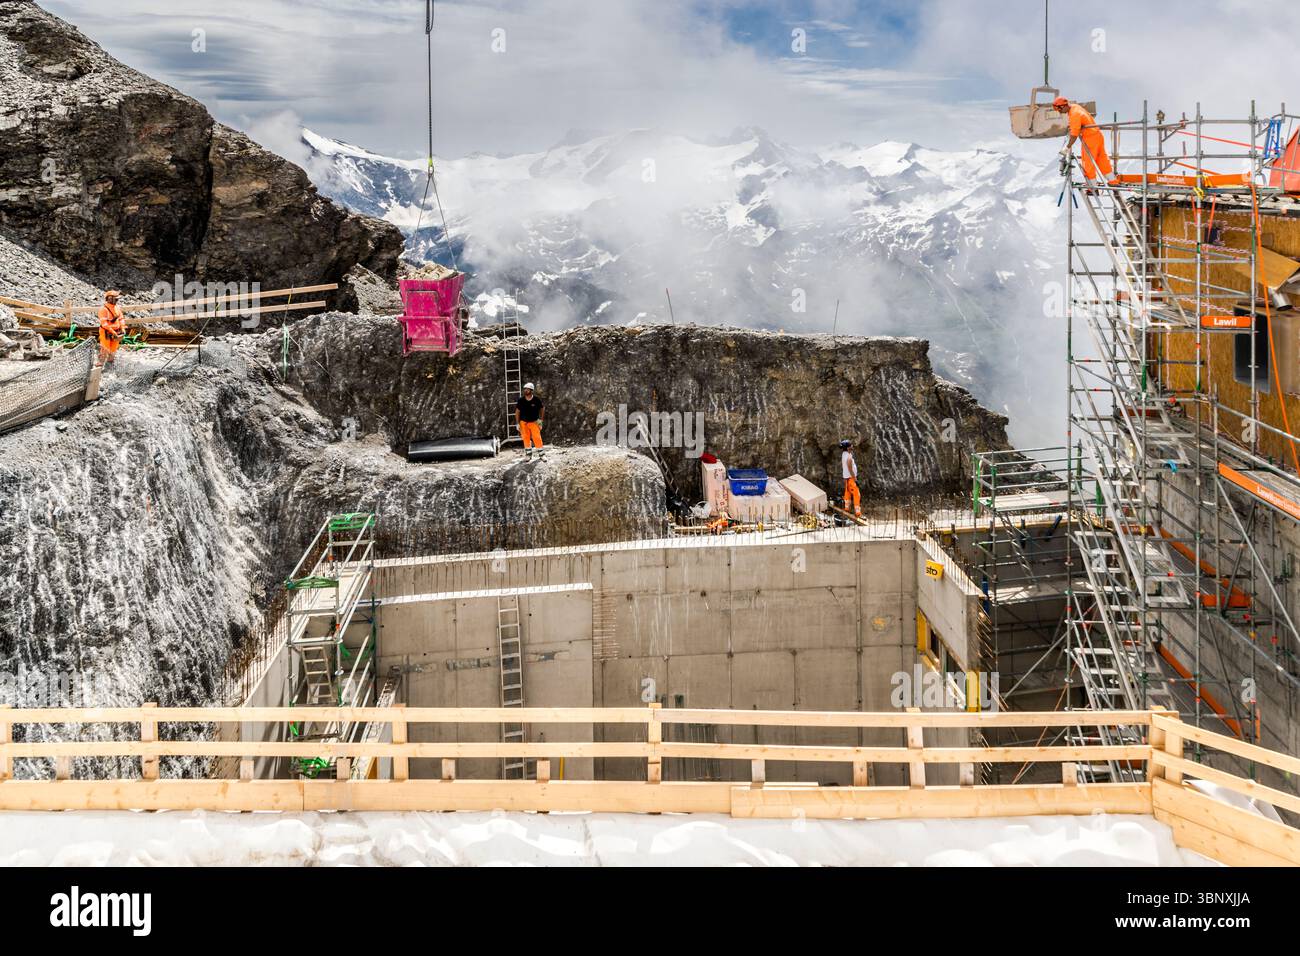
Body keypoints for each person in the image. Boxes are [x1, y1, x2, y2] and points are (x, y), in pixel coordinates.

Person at [1053, 96, 1114, 186]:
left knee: (1087, 162)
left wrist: (1067, 147)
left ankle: (1092, 186)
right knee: (1102, 159)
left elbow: (1074, 135)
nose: (1060, 112)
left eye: (1059, 110)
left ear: (1063, 106)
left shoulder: (1074, 114)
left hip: (1090, 138)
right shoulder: (1075, 107)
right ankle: (1113, 180)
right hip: (1097, 135)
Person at [516, 382, 545, 459]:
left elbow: (542, 409)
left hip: (534, 422)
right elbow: (517, 411)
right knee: (526, 438)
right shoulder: (521, 400)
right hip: (523, 423)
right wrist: (517, 423)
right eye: (524, 389)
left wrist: (541, 420)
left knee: (537, 438)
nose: (525, 390)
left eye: (527, 389)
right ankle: (528, 455)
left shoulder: (536, 400)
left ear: (531, 390)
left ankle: (542, 455)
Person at [97, 290, 126, 366]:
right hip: (106, 332)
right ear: (110, 299)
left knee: (113, 349)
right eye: (115, 299)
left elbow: (121, 318)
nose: (117, 300)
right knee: (105, 348)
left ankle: (110, 363)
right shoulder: (103, 309)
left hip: (116, 331)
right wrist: (113, 332)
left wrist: (122, 328)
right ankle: (100, 363)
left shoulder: (117, 308)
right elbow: (104, 324)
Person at [840, 439, 862, 517]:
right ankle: (858, 513)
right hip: (851, 478)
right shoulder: (849, 456)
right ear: (848, 447)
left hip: (846, 478)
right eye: (851, 445)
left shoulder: (843, 454)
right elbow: (849, 467)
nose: (852, 446)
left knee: (847, 494)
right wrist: (855, 478)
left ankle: (847, 509)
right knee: (856, 495)